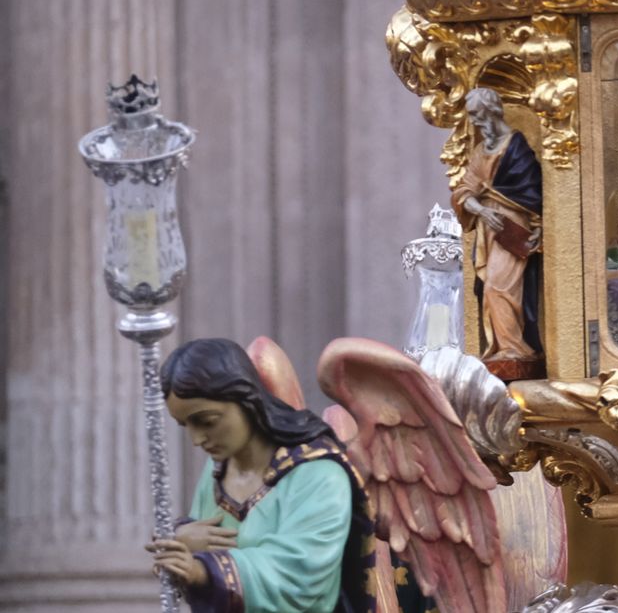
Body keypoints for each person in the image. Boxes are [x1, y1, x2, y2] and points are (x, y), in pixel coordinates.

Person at [147, 338, 433, 612]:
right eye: (186, 425)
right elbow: (200, 547)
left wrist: (202, 569)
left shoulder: (319, 474)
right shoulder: (217, 469)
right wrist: (180, 541)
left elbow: (302, 578)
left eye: (207, 421)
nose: (197, 439)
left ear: (246, 400)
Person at [451, 87, 543, 363]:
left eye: (477, 115)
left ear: (491, 112)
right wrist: (480, 209)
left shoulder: (516, 147)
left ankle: (515, 349)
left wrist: (539, 225)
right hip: (487, 229)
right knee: (489, 287)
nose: (475, 122)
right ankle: (504, 349)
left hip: (511, 227)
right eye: (471, 116)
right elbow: (463, 191)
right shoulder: (481, 151)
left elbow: (533, 193)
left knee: (498, 286)